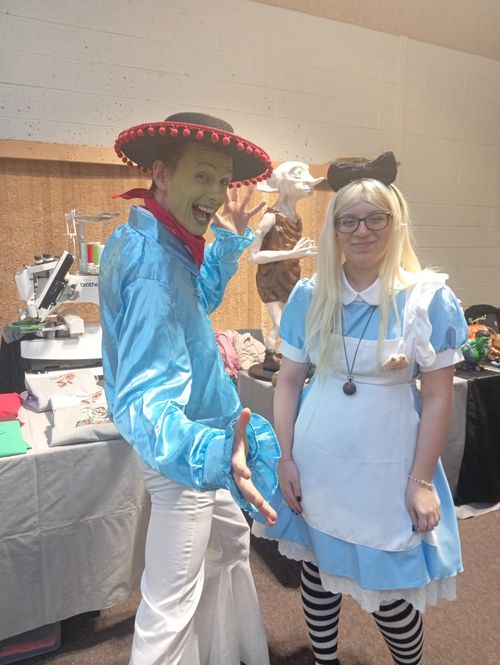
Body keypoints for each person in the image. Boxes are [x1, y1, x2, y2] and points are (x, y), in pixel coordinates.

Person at [253, 151, 468, 665]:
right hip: (318, 457)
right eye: (348, 220)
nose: (361, 231)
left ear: (396, 223)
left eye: (376, 218)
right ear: (334, 229)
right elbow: (288, 382)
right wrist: (285, 458)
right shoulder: (310, 295)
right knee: (317, 570)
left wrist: (420, 482)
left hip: (387, 464)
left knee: (389, 589)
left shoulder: (427, 300)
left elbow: (438, 396)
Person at [99, 112, 281, 665]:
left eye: (222, 180)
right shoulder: (152, 265)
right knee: (171, 601)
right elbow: (145, 401)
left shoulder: (152, 237)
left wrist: (227, 239)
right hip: (184, 449)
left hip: (200, 435)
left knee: (230, 544)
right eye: (202, 176)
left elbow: (197, 301)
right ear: (160, 174)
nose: (217, 193)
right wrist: (213, 453)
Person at [249, 161, 321, 371]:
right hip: (271, 279)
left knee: (294, 320)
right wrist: (292, 254)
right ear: (286, 185)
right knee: (281, 324)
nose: (309, 187)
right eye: (303, 182)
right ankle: (270, 356)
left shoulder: (296, 219)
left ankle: (286, 356)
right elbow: (253, 256)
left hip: (290, 276)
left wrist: (298, 256)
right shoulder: (270, 218)